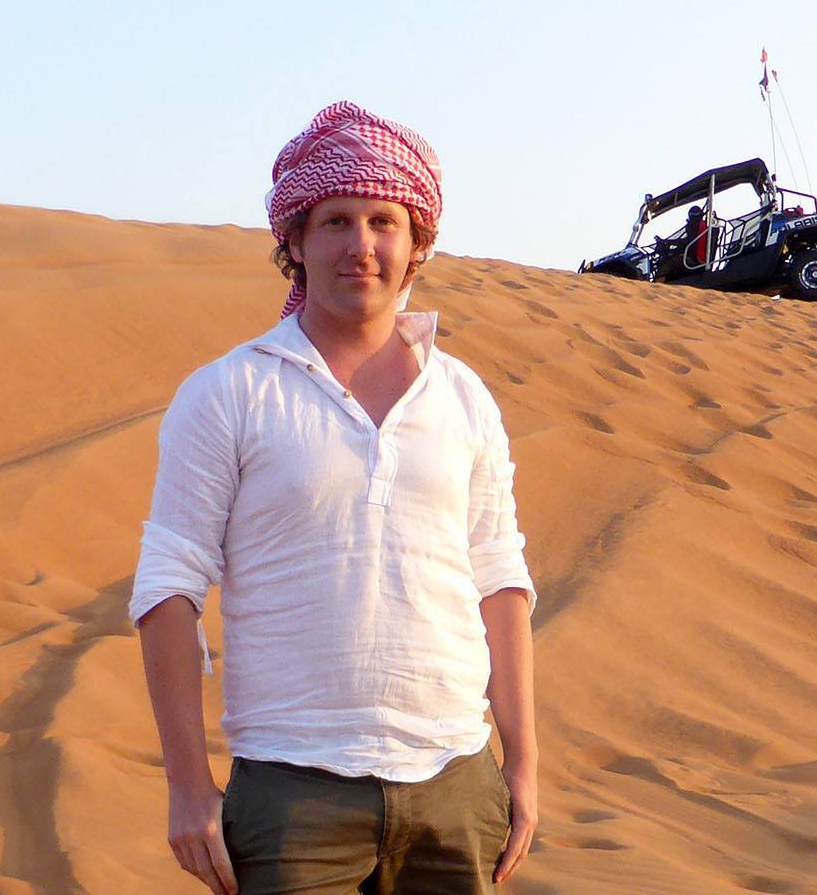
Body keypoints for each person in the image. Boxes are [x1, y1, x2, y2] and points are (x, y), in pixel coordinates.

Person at [131, 101, 538, 894]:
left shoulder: (463, 397)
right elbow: (168, 583)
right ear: (294, 241)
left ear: (418, 243)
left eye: (385, 221)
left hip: (456, 784)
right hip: (291, 795)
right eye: (335, 221)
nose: (362, 244)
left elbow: (500, 575)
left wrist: (522, 762)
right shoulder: (231, 391)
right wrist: (186, 784)